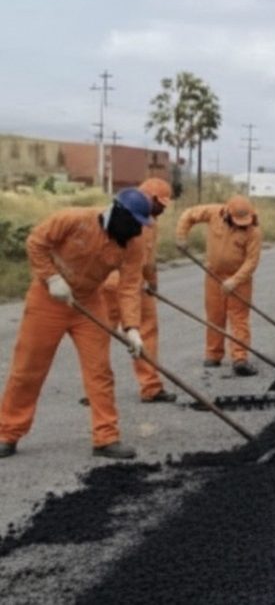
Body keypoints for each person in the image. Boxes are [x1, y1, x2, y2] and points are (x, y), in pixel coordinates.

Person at [0, 189, 153, 459]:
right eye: (133, 222)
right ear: (117, 211)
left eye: (141, 224)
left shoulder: (133, 242)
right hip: (47, 300)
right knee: (27, 369)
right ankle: (7, 433)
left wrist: (132, 328)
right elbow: (36, 242)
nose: (136, 230)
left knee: (100, 371)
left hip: (88, 303)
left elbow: (129, 286)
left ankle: (106, 438)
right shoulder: (74, 219)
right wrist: (50, 278)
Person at [100, 177, 176, 403]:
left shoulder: (127, 213)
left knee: (100, 335)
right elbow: (146, 260)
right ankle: (151, 387)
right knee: (146, 332)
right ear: (151, 199)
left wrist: (152, 281)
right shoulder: (145, 222)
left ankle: (97, 390)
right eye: (160, 204)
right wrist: (152, 282)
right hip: (129, 284)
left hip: (108, 283)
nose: (162, 209)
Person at [175, 195, 262, 375]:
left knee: (239, 319)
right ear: (227, 213)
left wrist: (235, 280)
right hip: (213, 275)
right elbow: (188, 215)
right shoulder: (214, 213)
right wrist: (181, 237)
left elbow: (251, 261)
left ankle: (240, 358)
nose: (241, 225)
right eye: (237, 221)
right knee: (215, 316)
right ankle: (213, 354)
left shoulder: (253, 231)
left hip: (239, 280)